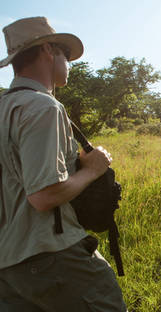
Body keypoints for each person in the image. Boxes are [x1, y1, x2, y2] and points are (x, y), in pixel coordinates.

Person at [0, 17, 127, 311]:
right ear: (47, 50)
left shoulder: (6, 108)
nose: (68, 63)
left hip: (8, 266)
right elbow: (44, 196)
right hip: (51, 252)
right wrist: (93, 169)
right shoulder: (44, 106)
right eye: (65, 55)